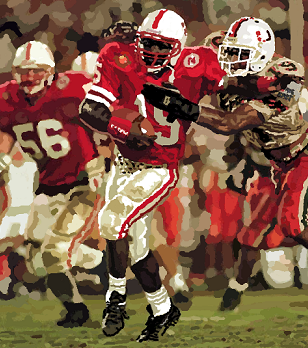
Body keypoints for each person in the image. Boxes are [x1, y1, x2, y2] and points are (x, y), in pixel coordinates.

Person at [188, 17, 308, 318]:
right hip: (279, 165)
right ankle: (237, 287)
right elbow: (237, 127)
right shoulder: (231, 76)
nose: (231, 61)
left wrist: (180, 106)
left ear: (261, 55)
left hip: (307, 154)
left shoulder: (284, 78)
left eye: (240, 55)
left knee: (294, 223)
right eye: (231, 53)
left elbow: (231, 122)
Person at [79, 9, 227, 342]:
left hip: (161, 167)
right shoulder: (120, 56)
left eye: (163, 47)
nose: (154, 53)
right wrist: (123, 128)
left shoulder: (199, 62)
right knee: (136, 246)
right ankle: (162, 310)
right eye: (148, 43)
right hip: (123, 161)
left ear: (179, 47)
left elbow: (230, 98)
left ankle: (114, 299)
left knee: (111, 220)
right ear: (138, 39)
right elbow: (89, 110)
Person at [0, 41, 106, 327]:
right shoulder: (4, 99)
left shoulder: (73, 88)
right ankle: (94, 264)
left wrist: (104, 157)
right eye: (23, 71)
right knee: (36, 261)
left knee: (54, 252)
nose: (29, 78)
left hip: (83, 182)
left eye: (36, 71)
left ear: (50, 71)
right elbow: (3, 139)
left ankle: (81, 304)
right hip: (48, 185)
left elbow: (107, 120)